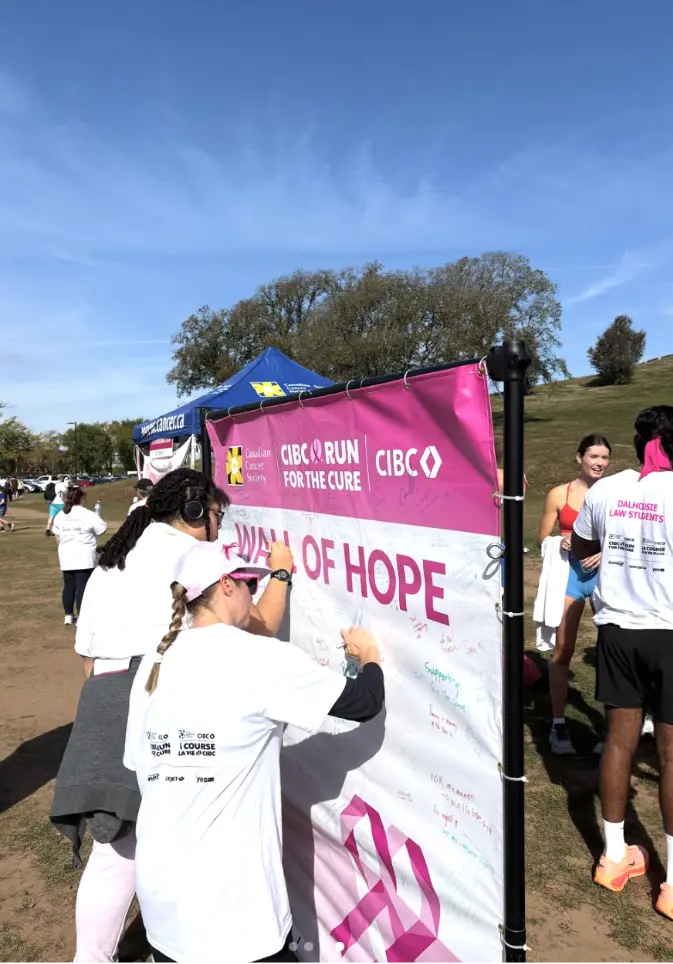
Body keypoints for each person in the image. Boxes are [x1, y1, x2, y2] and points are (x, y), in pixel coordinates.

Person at [50, 468, 295, 964]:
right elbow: (259, 627)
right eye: (217, 515)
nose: (220, 528)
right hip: (158, 694)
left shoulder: (112, 560)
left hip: (103, 695)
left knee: (115, 849)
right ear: (192, 511)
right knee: (165, 839)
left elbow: (86, 657)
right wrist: (282, 572)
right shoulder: (198, 557)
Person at [124, 539, 384, 964]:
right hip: (233, 915)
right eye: (250, 583)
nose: (254, 596)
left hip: (161, 901)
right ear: (227, 585)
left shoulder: (157, 656)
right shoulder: (257, 657)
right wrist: (368, 655)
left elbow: (140, 764)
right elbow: (364, 703)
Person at [572, 406, 673, 915]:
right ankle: (672, 882)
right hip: (668, 631)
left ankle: (613, 857)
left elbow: (584, 545)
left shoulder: (606, 489)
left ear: (638, 443)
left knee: (618, 741)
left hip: (617, 630)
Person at [538, 434, 611, 754]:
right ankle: (558, 725)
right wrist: (561, 541)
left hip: (606, 579)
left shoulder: (616, 494)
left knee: (611, 653)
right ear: (579, 457)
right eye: (593, 456)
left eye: (605, 457)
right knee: (562, 651)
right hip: (570, 576)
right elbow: (543, 537)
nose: (599, 462)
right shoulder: (559, 493)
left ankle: (612, 730)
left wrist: (605, 551)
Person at [52, 486, 108, 626]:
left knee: (69, 585)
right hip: (84, 554)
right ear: (82, 498)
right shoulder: (88, 514)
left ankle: (68, 616)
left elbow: (56, 533)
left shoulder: (61, 515)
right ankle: (82, 616)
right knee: (82, 585)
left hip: (66, 554)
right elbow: (102, 529)